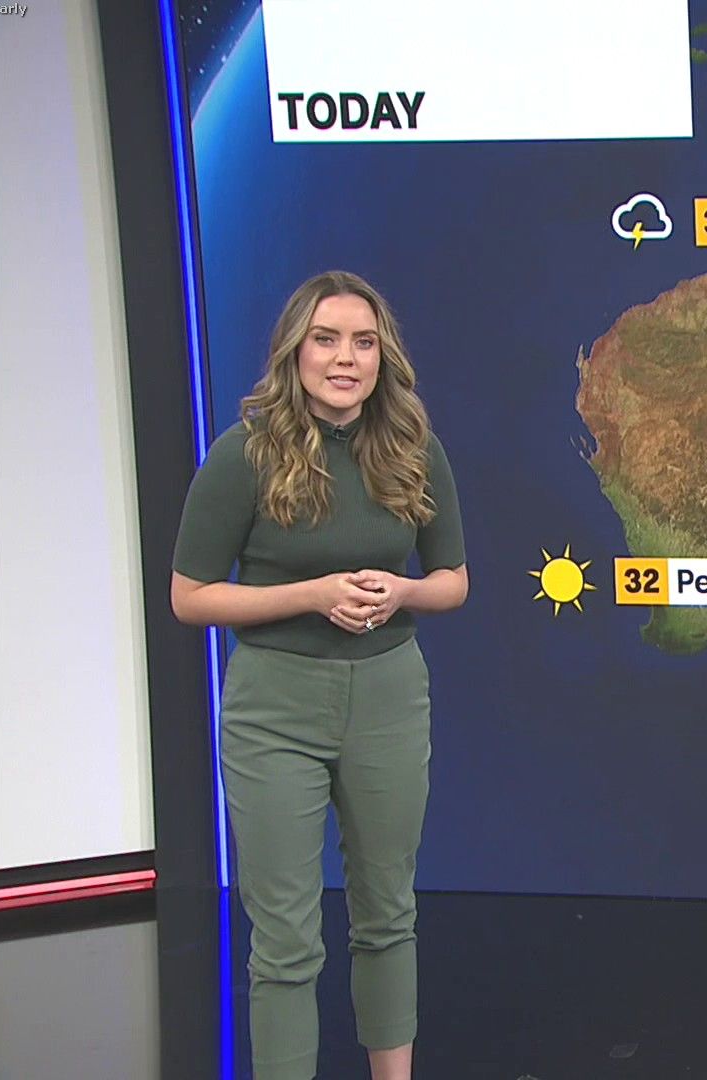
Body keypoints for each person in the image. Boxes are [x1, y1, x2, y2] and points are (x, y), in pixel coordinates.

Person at [170, 270, 468, 1079]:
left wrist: (401, 591)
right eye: (326, 340)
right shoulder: (245, 454)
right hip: (276, 708)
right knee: (285, 940)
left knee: (388, 914)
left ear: (382, 357)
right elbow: (190, 597)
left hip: (389, 698)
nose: (346, 359)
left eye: (363, 343)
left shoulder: (413, 447)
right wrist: (311, 595)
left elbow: (453, 580)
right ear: (294, 353)